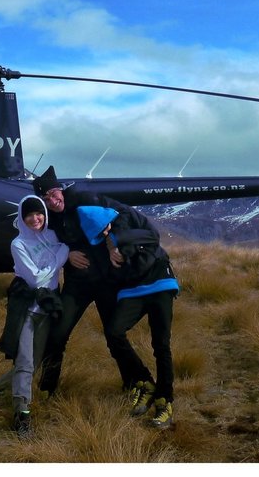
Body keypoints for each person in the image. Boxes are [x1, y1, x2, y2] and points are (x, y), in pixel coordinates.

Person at [31, 166, 155, 399]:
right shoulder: (49, 218)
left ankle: (138, 382)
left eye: (53, 194)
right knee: (57, 334)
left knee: (114, 335)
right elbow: (47, 244)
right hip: (77, 286)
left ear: (60, 189)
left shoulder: (84, 198)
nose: (52, 201)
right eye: (45, 199)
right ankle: (47, 390)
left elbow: (122, 215)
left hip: (106, 281)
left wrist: (113, 245)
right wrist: (67, 254)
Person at [77, 204, 180, 429]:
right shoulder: (102, 245)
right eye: (98, 232)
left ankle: (165, 401)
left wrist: (121, 246)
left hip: (160, 284)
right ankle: (144, 381)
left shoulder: (128, 224)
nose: (103, 233)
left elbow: (153, 237)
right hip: (132, 291)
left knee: (161, 344)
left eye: (103, 228)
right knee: (114, 332)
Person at [0, 194, 68, 439]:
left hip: (47, 308)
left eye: (38, 213)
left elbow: (64, 251)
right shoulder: (18, 244)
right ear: (22, 216)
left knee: (33, 365)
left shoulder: (52, 236)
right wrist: (58, 259)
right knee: (26, 364)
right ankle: (22, 416)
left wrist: (57, 258)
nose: (35, 218)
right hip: (26, 309)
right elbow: (35, 278)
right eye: (29, 214)